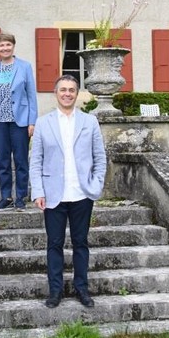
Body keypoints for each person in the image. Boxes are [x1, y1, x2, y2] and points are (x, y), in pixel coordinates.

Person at [29, 75, 107, 309]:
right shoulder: (43, 123)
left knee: (80, 243)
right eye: (63, 89)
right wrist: (38, 191)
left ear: (77, 94)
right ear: (56, 93)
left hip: (82, 193)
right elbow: (36, 160)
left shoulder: (89, 122)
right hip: (54, 194)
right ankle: (55, 291)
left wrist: (97, 183)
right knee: (54, 244)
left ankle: (82, 289)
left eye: (72, 90)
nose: (67, 94)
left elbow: (100, 156)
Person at [0, 32, 38, 211]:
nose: (5, 48)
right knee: (2, 161)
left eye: (8, 44)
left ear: (13, 46)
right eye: (1, 45)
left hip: (19, 121)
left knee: (21, 160)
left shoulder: (25, 67)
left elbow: (31, 96)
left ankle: (21, 197)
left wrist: (32, 121)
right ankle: (6, 197)